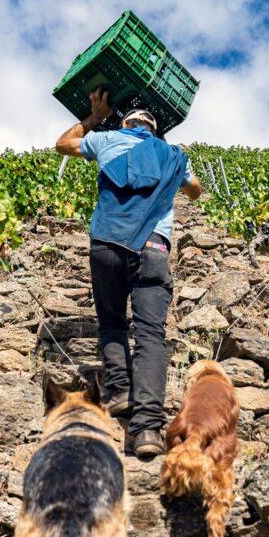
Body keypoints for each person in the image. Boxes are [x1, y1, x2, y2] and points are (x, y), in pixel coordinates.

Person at [55, 88, 202, 458]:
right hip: (153, 247)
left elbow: (63, 144)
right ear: (154, 130)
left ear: (125, 123)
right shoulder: (173, 155)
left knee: (112, 321)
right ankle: (148, 430)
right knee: (151, 335)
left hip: (107, 243)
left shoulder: (107, 140)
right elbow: (196, 192)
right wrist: (170, 159)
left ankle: (120, 391)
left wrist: (92, 118)